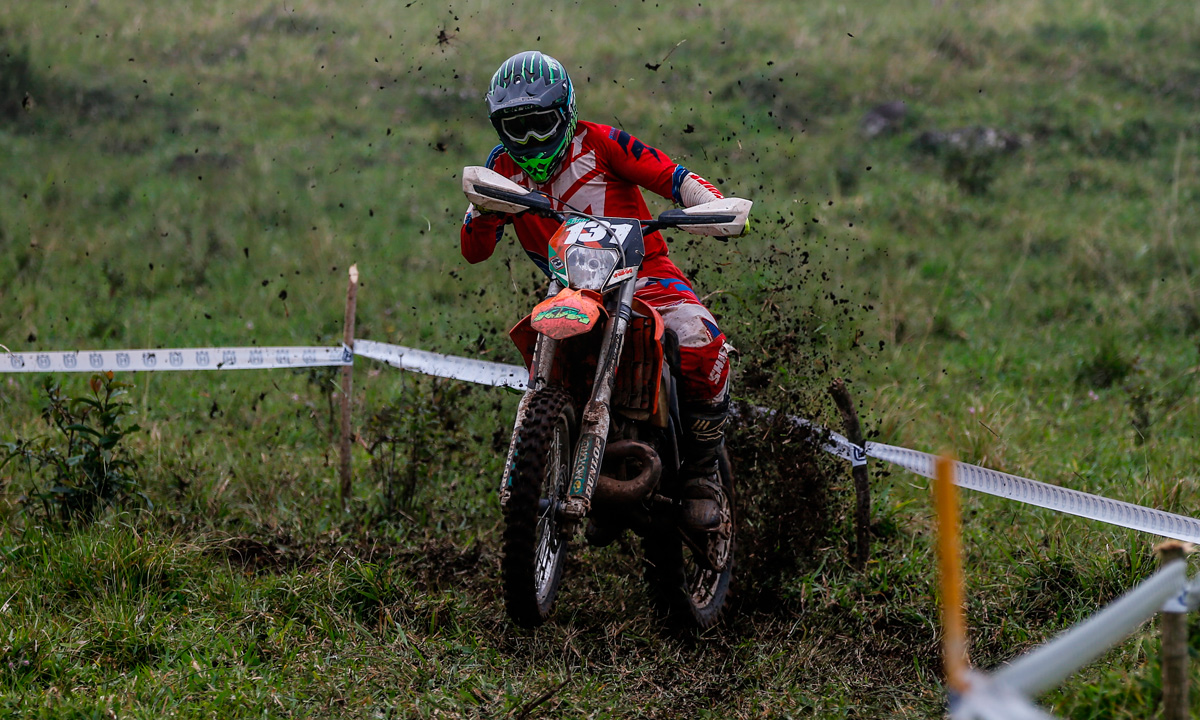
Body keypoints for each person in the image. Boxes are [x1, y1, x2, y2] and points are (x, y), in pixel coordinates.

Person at [460, 50, 735, 532]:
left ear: (564, 114)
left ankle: (703, 474)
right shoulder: (501, 168)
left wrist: (708, 207)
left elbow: (673, 177)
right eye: (515, 126)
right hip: (568, 285)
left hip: (645, 275)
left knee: (699, 340)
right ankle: (551, 452)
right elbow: (473, 251)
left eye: (540, 123)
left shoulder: (601, 142)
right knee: (541, 347)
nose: (528, 139)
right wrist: (482, 214)